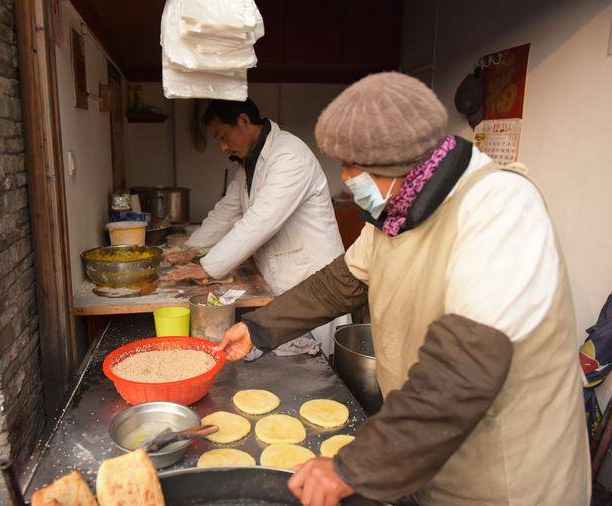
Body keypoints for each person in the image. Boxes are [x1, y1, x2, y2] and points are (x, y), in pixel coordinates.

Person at [217, 72, 591, 505]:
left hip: (503, 480)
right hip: (425, 454)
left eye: (357, 167)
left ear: (405, 161)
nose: (348, 178)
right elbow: (341, 283)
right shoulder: (397, 212)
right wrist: (260, 329)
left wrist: (351, 468)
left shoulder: (501, 209)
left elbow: (463, 371)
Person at [167, 98, 348, 354]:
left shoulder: (289, 154)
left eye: (222, 136)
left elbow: (260, 222)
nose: (222, 146)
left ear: (243, 121)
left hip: (311, 278)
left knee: (318, 364)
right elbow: (227, 212)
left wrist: (207, 266)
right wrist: (193, 249)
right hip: (282, 281)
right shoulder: (250, 163)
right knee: (292, 360)